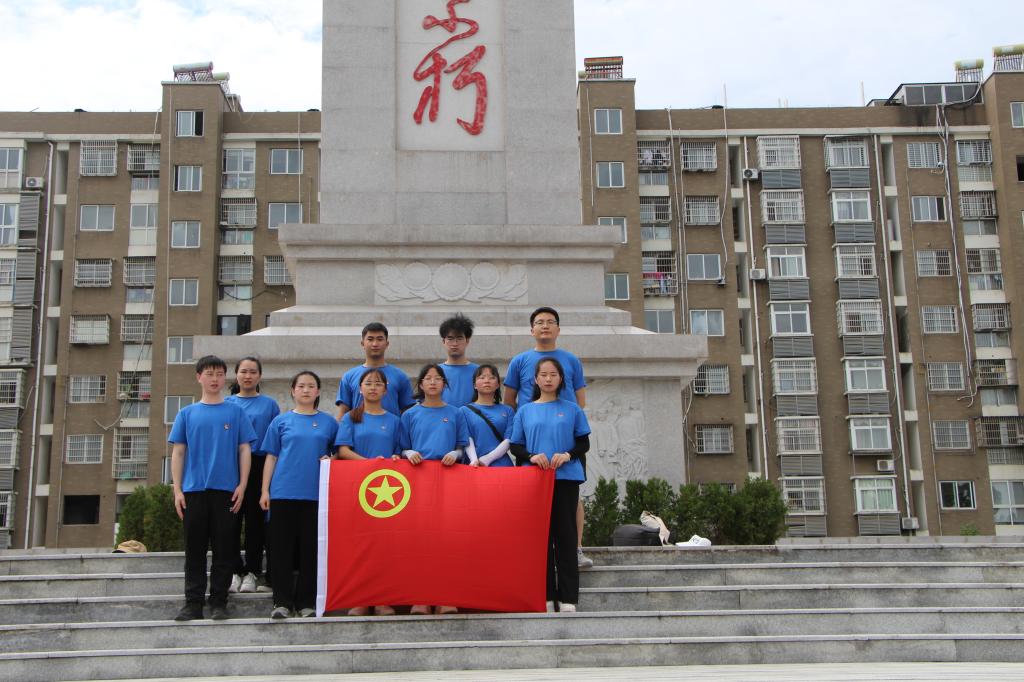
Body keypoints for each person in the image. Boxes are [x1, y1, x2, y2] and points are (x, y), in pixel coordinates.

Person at [503, 306, 594, 569]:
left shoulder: (571, 360)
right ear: (531, 329)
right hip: (534, 444)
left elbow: (580, 401)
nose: (545, 326)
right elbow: (510, 401)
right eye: (540, 322)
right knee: (533, 502)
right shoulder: (519, 361)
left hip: (567, 442)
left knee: (571, 499)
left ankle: (575, 549)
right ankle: (536, 554)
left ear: (558, 329)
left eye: (550, 322)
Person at [170, 355, 257, 622]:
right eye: (209, 374)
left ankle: (219, 601)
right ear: (199, 377)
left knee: (224, 549)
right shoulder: (186, 414)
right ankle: (193, 603)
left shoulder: (236, 412)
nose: (215, 379)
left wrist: (242, 484)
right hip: (194, 491)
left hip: (226, 491)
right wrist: (177, 490)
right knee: (194, 550)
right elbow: (178, 452)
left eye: (219, 374)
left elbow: (244, 449)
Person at [509, 357, 591, 613]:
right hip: (534, 480)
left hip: (565, 479)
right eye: (543, 374)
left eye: (553, 374)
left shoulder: (571, 409)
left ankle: (568, 598)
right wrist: (532, 456)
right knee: (540, 539)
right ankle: (544, 596)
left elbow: (583, 442)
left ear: (561, 379)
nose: (548, 379)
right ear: (535, 379)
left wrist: (567, 455)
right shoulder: (525, 411)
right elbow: (515, 445)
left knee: (565, 537)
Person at [260, 370, 339, 619]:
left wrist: (332, 458)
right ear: (293, 391)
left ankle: (306, 603)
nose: (306, 390)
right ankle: (281, 602)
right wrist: (264, 490)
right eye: (301, 386)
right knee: (281, 550)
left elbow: (338, 453)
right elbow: (271, 457)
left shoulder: (329, 423)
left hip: (315, 496)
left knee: (310, 551)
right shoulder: (280, 422)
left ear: (318, 392)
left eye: (311, 386)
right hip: (283, 493)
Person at [399, 364, 469, 616]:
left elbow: (462, 445)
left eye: (438, 378)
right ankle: (420, 598)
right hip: (418, 480)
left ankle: (445, 597)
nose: (432, 382)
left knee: (446, 540)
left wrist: (456, 453)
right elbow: (401, 447)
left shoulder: (456, 413)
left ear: (444, 384)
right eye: (428, 378)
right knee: (419, 540)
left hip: (448, 479)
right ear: (420, 384)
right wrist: (408, 452)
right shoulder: (409, 415)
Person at [335, 367, 403, 616]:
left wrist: (394, 459)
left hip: (387, 491)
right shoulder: (350, 418)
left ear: (386, 390)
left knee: (385, 544)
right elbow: (343, 450)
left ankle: (383, 599)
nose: (373, 387)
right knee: (361, 544)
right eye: (368, 383)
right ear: (360, 389)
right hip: (359, 487)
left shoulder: (395, 421)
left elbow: (400, 451)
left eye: (378, 383)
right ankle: (361, 598)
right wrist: (369, 464)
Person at [226, 356, 281, 594]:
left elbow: (275, 441)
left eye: (252, 372)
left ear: (259, 376)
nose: (247, 376)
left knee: (255, 521)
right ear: (236, 374)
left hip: (259, 464)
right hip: (231, 465)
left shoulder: (269, 405)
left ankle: (252, 571)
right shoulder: (226, 403)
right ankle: (233, 570)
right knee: (230, 520)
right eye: (243, 371)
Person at [336, 322, 415, 419]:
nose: (375, 344)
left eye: (380, 339)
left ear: (387, 344)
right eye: (370, 339)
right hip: (358, 427)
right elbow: (342, 412)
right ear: (362, 344)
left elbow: (408, 413)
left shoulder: (400, 376)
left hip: (391, 428)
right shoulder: (349, 376)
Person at [461, 364, 514, 467]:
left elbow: (509, 439)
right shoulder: (464, 411)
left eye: (492, 377)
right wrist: (474, 460)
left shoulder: (508, 410)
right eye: (482, 377)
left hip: (501, 466)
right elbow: (466, 438)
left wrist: (488, 458)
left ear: (498, 384)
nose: (487, 381)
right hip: (473, 467)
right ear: (474, 385)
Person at [439, 313, 479, 408]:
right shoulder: (435, 371)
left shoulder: (479, 372)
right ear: (443, 341)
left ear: (467, 341)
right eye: (450, 338)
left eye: (459, 338)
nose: (455, 343)